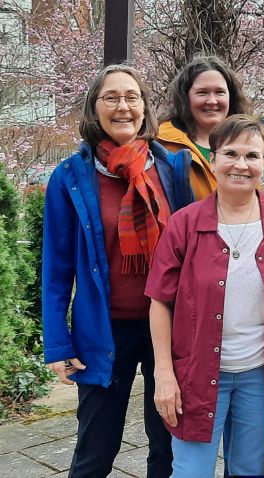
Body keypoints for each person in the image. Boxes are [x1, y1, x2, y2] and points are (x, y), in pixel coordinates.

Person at [145, 114, 264, 476]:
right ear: (213, 160)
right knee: (191, 471)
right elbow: (160, 301)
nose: (241, 164)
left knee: (249, 470)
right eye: (231, 153)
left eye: (252, 156)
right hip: (197, 374)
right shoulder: (185, 224)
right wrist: (164, 373)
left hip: (262, 374)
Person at [41, 64, 193, 477]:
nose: (123, 106)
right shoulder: (70, 177)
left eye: (132, 97)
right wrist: (57, 342)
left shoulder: (171, 169)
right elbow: (56, 268)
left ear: (145, 108)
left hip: (167, 326)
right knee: (95, 450)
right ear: (94, 108)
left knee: (168, 446)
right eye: (111, 97)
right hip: (102, 327)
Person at [158, 56, 252, 200]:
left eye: (220, 92)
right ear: (185, 97)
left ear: (230, 97)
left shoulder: (248, 142)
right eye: (202, 92)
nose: (212, 101)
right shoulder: (163, 146)